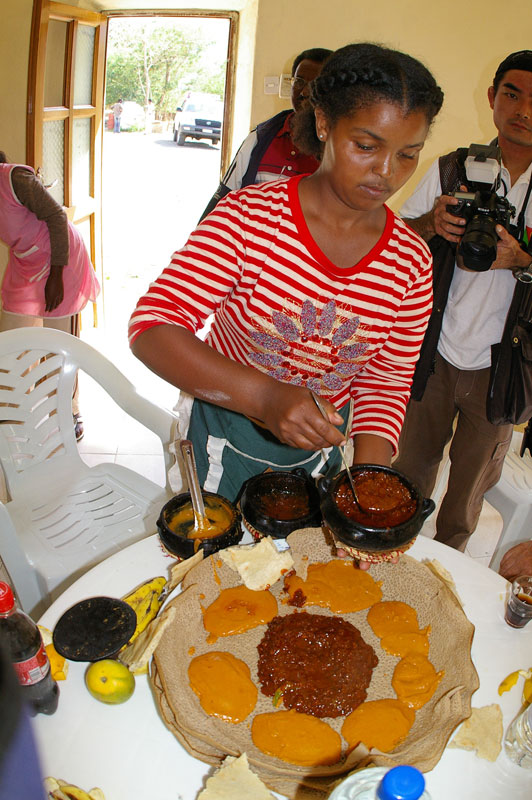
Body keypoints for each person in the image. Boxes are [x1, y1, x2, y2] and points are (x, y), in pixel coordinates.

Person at [129, 41, 443, 540]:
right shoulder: (250, 219)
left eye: (408, 154)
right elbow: (152, 328)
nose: (387, 172)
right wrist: (264, 397)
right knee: (218, 569)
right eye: (367, 146)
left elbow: (385, 382)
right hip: (223, 436)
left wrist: (367, 491)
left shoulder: (410, 262)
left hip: (318, 455)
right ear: (323, 124)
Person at [394, 51, 532, 553]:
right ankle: (393, 556)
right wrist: (431, 224)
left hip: (505, 366)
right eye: (513, 94)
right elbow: (394, 243)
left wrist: (522, 260)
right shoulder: (452, 168)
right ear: (493, 98)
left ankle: (448, 570)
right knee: (408, 474)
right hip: (433, 350)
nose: (524, 110)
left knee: (467, 494)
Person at [0, 151, 100, 442]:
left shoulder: (17, 179)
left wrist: (56, 276)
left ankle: (69, 411)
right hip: (26, 260)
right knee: (10, 343)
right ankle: (13, 410)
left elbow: (57, 217)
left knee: (60, 347)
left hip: (62, 258)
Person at [199, 47, 333, 220]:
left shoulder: (338, 148)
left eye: (314, 84)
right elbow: (222, 200)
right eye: (299, 81)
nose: (304, 92)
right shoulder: (261, 137)